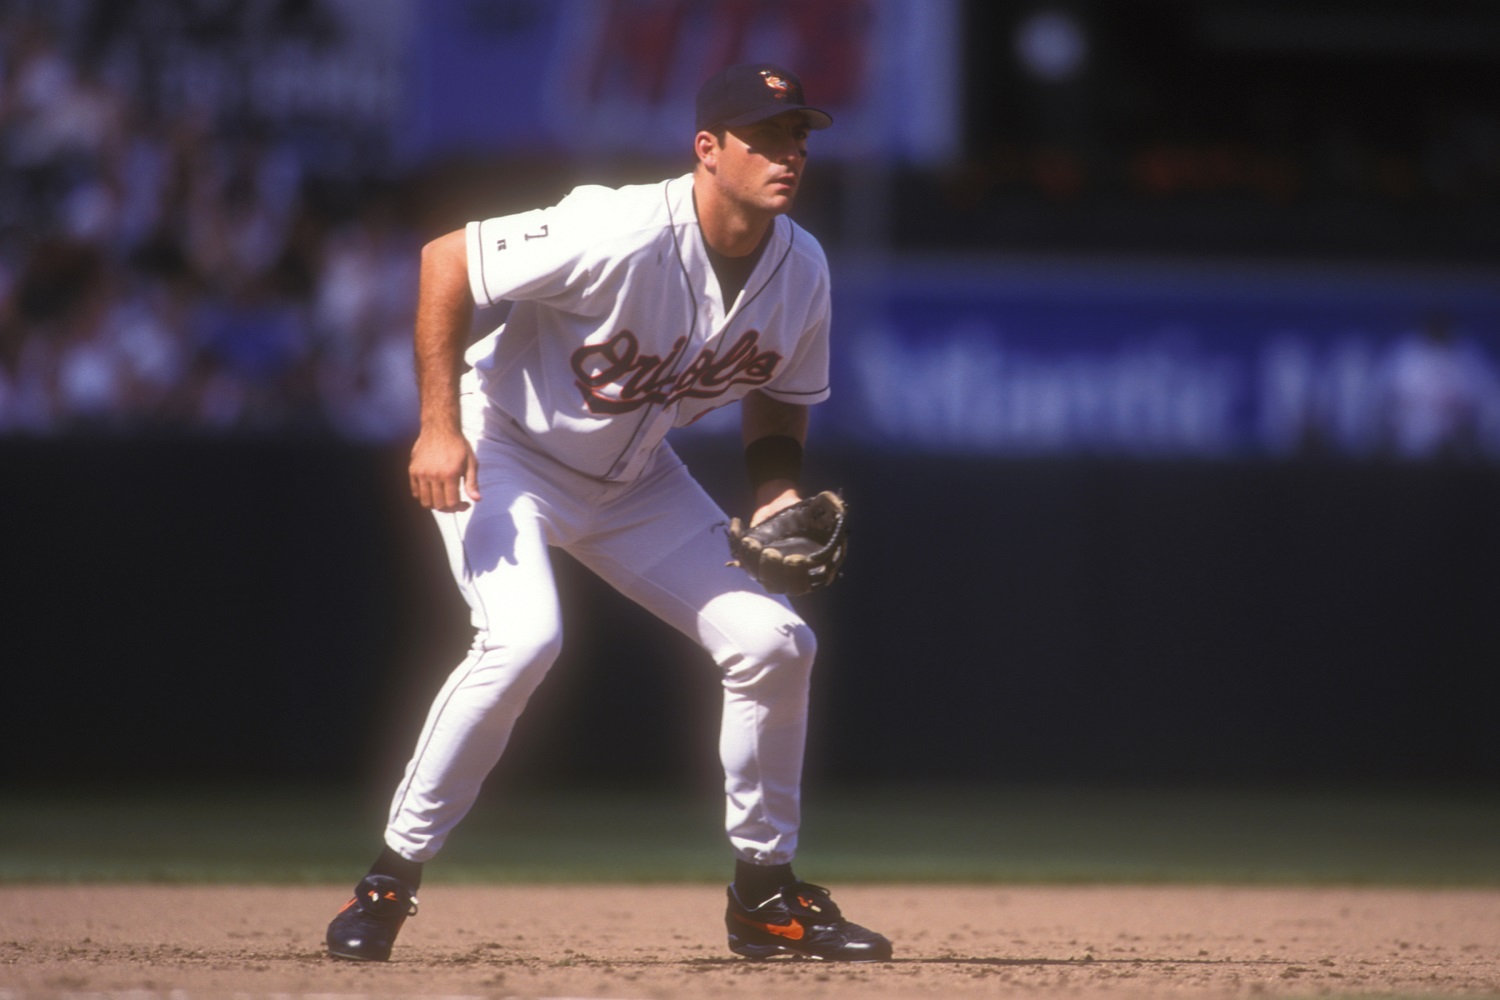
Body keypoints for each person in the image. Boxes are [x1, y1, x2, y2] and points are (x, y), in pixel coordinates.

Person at [325, 62, 892, 964]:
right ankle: (388, 882)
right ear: (708, 150)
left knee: (776, 643)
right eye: (767, 135)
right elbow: (447, 261)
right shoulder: (616, 226)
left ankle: (764, 897)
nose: (790, 152)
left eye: (800, 135)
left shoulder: (801, 267)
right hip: (505, 446)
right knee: (522, 639)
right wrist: (438, 427)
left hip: (633, 480)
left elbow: (781, 394)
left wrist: (775, 488)